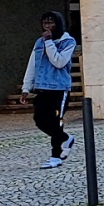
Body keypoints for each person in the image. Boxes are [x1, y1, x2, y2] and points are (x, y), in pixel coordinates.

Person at [20, 11, 78, 168]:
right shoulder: (39, 42)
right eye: (45, 23)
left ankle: (55, 156)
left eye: (51, 23)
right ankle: (66, 138)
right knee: (40, 120)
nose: (48, 27)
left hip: (59, 89)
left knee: (56, 121)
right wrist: (26, 87)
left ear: (58, 24)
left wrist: (49, 42)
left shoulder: (68, 42)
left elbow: (59, 62)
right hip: (41, 88)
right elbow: (32, 64)